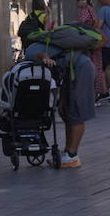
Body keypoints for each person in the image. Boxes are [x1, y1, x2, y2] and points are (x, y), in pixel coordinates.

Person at [21, 39, 95, 168]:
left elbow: (41, 55)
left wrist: (45, 58)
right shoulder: (41, 45)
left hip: (81, 69)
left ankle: (72, 157)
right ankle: (67, 152)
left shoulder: (30, 53)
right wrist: (60, 101)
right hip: (72, 70)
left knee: (76, 113)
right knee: (65, 111)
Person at [75, 0, 107, 100]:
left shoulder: (85, 11)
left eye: (78, 0)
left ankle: (94, 93)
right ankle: (98, 92)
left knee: (90, 67)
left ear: (85, 1)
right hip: (94, 41)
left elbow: (82, 26)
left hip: (88, 42)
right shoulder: (91, 10)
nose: (76, 2)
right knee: (96, 66)